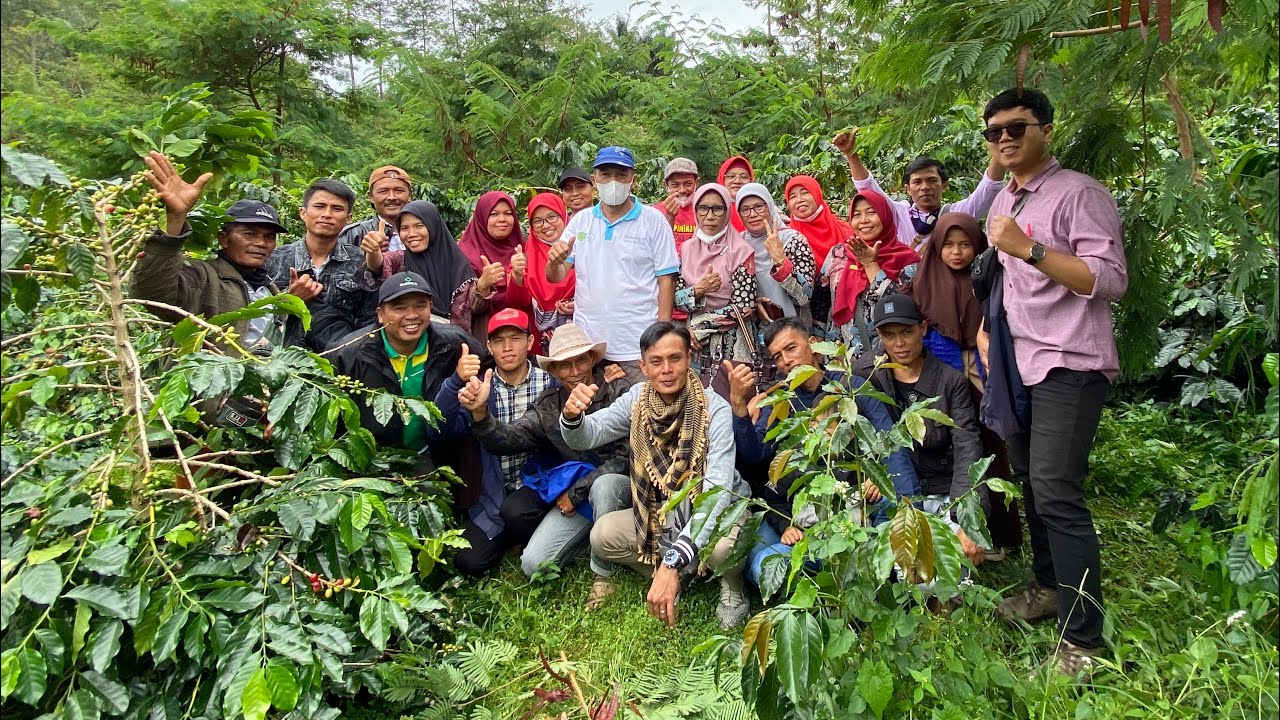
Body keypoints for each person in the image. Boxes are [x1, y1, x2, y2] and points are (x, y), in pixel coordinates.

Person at [979, 88, 1129, 678]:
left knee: (1057, 490)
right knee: (1032, 487)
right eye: (995, 132)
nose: (1006, 138)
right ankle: (1047, 589)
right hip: (1020, 363)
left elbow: (1110, 280)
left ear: (1046, 128)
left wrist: (1030, 249)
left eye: (1017, 127)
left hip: (1072, 361)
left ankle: (1084, 641)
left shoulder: (1079, 194)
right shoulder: (1006, 197)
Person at [560, 322, 752, 630]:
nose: (667, 369)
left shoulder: (713, 407)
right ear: (643, 367)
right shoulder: (637, 399)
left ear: (689, 358)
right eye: (656, 361)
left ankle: (731, 587)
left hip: (717, 510)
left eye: (675, 358)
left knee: (722, 549)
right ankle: (678, 572)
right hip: (660, 510)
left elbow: (717, 492)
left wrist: (672, 561)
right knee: (603, 536)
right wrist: (572, 417)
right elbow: (587, 435)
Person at [728, 318, 919, 592]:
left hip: (859, 506)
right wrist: (739, 407)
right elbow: (756, 454)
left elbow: (890, 444)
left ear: (814, 346)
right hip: (804, 517)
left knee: (891, 510)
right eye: (777, 357)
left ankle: (887, 567)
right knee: (764, 562)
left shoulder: (852, 387)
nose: (786, 361)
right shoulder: (782, 400)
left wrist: (896, 493)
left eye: (791, 348)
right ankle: (828, 573)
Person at [454, 323, 633, 577]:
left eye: (581, 361)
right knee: (534, 566)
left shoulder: (619, 391)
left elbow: (627, 457)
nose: (574, 372)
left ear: (592, 359)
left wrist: (577, 491)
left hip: (619, 490)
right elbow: (508, 438)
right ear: (554, 371)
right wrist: (481, 414)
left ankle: (603, 574)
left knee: (604, 486)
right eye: (564, 365)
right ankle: (585, 539)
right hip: (579, 499)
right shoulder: (550, 406)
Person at [910, 212, 1022, 554]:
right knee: (957, 452)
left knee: (993, 452)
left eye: (966, 245)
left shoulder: (990, 278)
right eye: (948, 245)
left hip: (985, 370)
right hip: (943, 382)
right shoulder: (922, 282)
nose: (957, 252)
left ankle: (1001, 536)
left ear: (979, 246)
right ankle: (956, 533)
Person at [131, 151, 319, 351]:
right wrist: (176, 219)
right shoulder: (203, 277)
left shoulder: (268, 288)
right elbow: (154, 292)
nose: (261, 243)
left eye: (269, 237)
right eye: (249, 233)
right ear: (223, 239)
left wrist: (288, 302)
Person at [856, 295, 987, 561]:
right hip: (893, 491)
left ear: (923, 329)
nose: (899, 344)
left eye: (907, 332)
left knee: (946, 573)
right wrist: (875, 471)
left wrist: (969, 518)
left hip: (940, 488)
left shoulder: (950, 382)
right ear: (879, 335)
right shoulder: (865, 374)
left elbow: (967, 447)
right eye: (889, 335)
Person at [435, 309, 556, 576]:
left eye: (515, 338)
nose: (508, 348)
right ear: (489, 346)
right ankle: (512, 537)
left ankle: (540, 534)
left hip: (540, 488)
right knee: (468, 562)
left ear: (530, 341)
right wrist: (455, 382)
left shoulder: (550, 383)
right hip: (495, 496)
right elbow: (440, 430)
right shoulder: (479, 388)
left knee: (517, 512)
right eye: (499, 341)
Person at [545, 146, 679, 384]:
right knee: (591, 414)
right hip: (589, 348)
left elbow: (666, 280)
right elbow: (556, 275)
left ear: (633, 181)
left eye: (621, 174)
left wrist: (662, 336)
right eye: (606, 174)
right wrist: (553, 261)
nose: (613, 181)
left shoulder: (653, 221)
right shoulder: (581, 222)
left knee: (643, 415)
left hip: (637, 346)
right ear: (594, 181)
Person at [331, 272, 480, 457]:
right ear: (380, 314)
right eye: (400, 308)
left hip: (437, 457)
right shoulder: (348, 355)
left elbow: (488, 372)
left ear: (431, 307)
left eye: (420, 306)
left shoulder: (453, 343)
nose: (412, 315)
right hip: (376, 462)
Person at [833, 128, 1007, 251]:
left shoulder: (955, 214)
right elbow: (868, 189)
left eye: (932, 181)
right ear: (908, 189)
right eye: (917, 182)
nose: (925, 187)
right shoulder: (898, 213)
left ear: (944, 185)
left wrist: (999, 144)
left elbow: (989, 188)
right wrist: (851, 154)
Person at [265, 179, 380, 335]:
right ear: (303, 213)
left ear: (348, 218)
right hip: (281, 356)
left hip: (340, 354)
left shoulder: (360, 262)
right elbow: (255, 320)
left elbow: (369, 322)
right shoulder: (272, 260)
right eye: (319, 206)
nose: (327, 214)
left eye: (337, 209)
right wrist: (289, 302)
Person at [820, 190, 920, 359]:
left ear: (885, 215)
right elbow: (821, 301)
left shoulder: (906, 259)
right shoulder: (839, 253)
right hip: (841, 358)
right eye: (857, 215)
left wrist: (870, 264)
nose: (864, 220)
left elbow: (898, 305)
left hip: (888, 358)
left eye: (871, 212)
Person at [356, 200, 483, 329]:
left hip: (455, 342)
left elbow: (473, 309)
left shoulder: (458, 264)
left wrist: (483, 286)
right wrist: (373, 252)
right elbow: (378, 266)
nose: (411, 234)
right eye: (404, 228)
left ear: (433, 226)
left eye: (419, 226)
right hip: (408, 338)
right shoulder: (399, 259)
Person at [674, 184, 759, 375]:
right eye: (703, 208)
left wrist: (698, 327)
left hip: (731, 343)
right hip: (694, 345)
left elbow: (745, 306)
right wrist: (698, 290)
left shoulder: (741, 251)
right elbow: (674, 298)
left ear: (727, 211)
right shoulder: (686, 249)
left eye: (717, 209)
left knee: (731, 398)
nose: (710, 216)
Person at [736, 183, 816, 331]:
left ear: (770, 207)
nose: (753, 214)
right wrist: (752, 303)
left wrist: (780, 260)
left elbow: (804, 297)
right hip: (755, 336)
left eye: (759, 206)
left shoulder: (793, 240)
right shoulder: (738, 246)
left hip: (794, 333)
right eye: (745, 210)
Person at [457, 191, 533, 343]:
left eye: (507, 213)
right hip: (484, 341)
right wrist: (482, 286)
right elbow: (459, 310)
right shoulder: (464, 254)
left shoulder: (524, 248)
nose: (502, 219)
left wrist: (518, 278)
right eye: (494, 214)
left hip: (522, 337)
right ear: (482, 217)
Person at [519, 193, 576, 352]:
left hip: (585, 331)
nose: (546, 225)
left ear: (563, 215)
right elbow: (518, 301)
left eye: (552, 217)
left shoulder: (582, 245)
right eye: (538, 221)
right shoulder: (525, 255)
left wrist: (580, 304)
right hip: (543, 342)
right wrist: (517, 276)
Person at [782, 175, 852, 268]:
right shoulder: (786, 237)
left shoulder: (844, 229)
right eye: (793, 196)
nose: (799, 200)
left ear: (817, 195)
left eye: (805, 193)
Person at [339, 166, 414, 252]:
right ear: (371, 197)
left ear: (410, 195)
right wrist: (370, 255)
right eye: (383, 191)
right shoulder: (354, 234)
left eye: (399, 190)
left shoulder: (425, 232)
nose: (391, 197)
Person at [654, 157, 700, 252]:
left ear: (697, 182)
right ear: (666, 185)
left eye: (688, 184)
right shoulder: (655, 212)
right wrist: (669, 216)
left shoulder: (705, 210)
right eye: (675, 185)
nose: (682, 190)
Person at [717, 155, 754, 231]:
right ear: (722, 179)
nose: (737, 181)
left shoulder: (762, 206)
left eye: (744, 177)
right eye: (731, 176)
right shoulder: (712, 207)